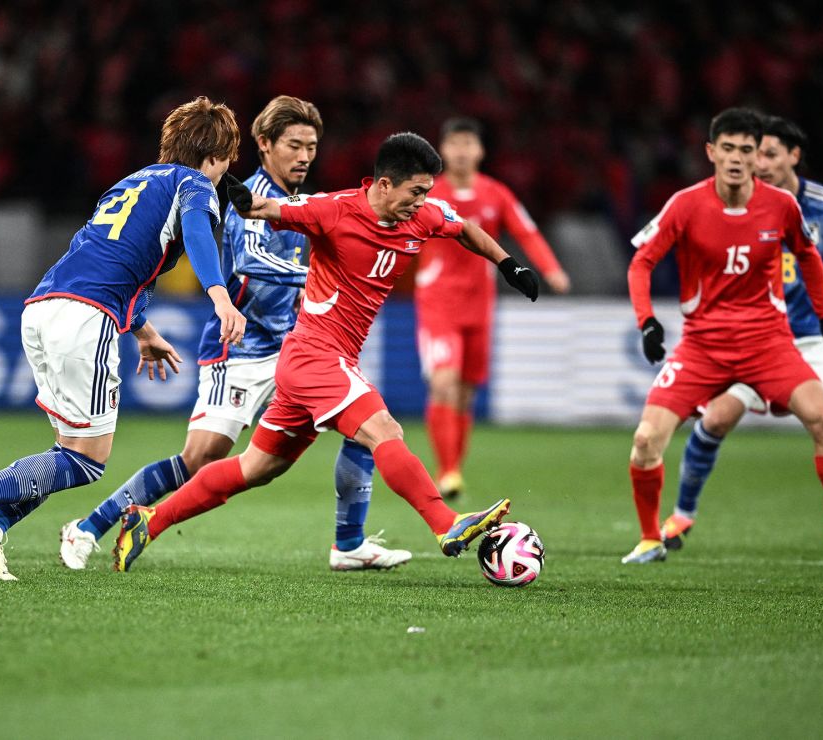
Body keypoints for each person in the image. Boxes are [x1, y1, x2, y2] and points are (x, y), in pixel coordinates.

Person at [112, 131, 541, 571]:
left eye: (427, 192)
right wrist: (231, 189)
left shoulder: (423, 216)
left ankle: (149, 520)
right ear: (385, 184)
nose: (421, 201)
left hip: (319, 362)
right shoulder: (333, 210)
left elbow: (465, 228)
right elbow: (264, 207)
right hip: (315, 357)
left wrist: (510, 265)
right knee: (384, 431)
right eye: (415, 191)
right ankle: (444, 521)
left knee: (256, 467)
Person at [58, 96, 410, 572]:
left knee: (367, 425)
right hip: (240, 350)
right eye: (294, 144)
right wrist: (315, 279)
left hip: (296, 347)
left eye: (311, 145)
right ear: (264, 145)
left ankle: (348, 544)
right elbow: (247, 262)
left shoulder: (305, 204)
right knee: (199, 457)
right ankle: (88, 527)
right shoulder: (247, 197)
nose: (305, 155)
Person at [0, 97, 248, 580]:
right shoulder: (195, 184)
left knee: (65, 450)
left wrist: (145, 332)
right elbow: (200, 234)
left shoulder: (131, 182)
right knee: (86, 462)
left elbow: (117, 261)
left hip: (43, 306)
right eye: (229, 158)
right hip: (84, 318)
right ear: (218, 154)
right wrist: (221, 297)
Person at [660, 115, 823, 553]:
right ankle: (682, 516)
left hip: (816, 338)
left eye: (767, 153)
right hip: (758, 339)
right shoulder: (738, 204)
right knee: (716, 419)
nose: (757, 162)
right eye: (752, 153)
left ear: (793, 156)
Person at [621, 107, 823, 565]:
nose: (737, 158)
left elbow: (810, 258)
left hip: (767, 343)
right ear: (711, 152)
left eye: (747, 150)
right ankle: (650, 538)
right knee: (644, 440)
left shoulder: (780, 205)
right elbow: (641, 262)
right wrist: (647, 321)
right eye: (729, 148)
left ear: (759, 157)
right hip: (703, 347)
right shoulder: (685, 204)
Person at [414, 117, 571, 499]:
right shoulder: (429, 193)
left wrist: (551, 270)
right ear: (443, 150)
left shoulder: (495, 193)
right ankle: (446, 471)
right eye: (454, 144)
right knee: (443, 383)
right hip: (438, 304)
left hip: (479, 307)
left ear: (480, 151)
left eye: (469, 143)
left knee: (466, 393)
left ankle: (454, 469)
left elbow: (526, 232)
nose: (462, 151)